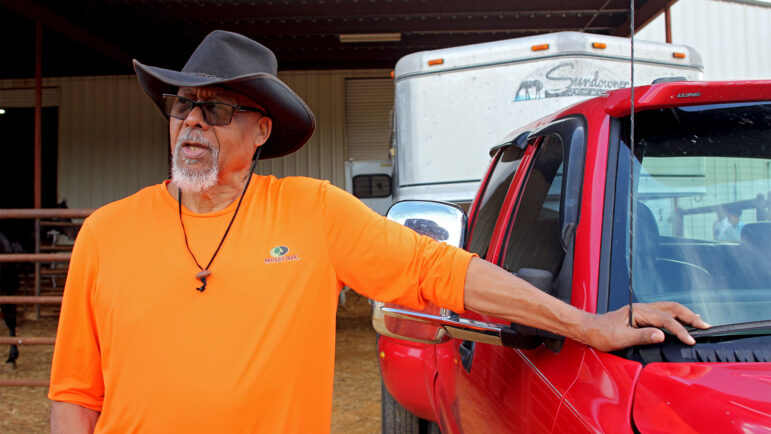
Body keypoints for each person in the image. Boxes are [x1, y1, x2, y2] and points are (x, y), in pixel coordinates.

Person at [49, 31, 708, 433]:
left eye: (215, 107)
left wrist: (586, 325)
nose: (191, 121)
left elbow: (439, 271)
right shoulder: (106, 234)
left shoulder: (312, 213)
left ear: (260, 130)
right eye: (180, 105)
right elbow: (76, 392)